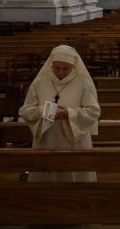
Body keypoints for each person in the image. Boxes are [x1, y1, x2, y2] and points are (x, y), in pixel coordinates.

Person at [19, 44, 101, 181]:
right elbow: (25, 110)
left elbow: (94, 111)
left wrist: (69, 113)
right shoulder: (39, 82)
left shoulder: (84, 83)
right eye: (56, 68)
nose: (60, 72)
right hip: (46, 141)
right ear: (51, 65)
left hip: (75, 143)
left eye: (65, 68)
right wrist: (45, 110)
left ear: (73, 66)